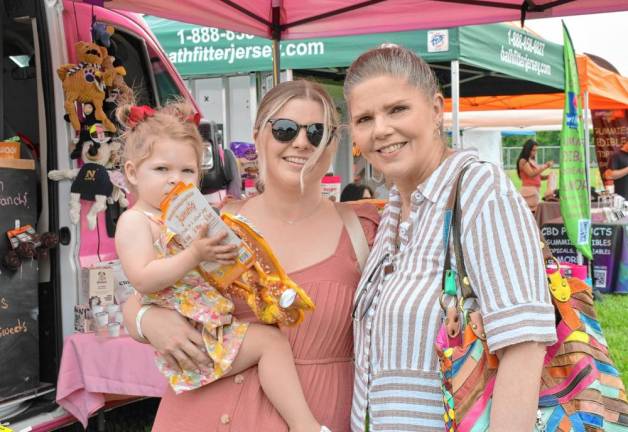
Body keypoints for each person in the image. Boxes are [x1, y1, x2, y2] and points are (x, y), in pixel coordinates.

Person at [121, 81, 379, 431]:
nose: (301, 142)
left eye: (317, 132)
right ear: (258, 136)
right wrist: (145, 320)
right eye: (285, 129)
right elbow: (145, 286)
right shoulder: (211, 222)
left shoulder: (364, 232)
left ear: (334, 143)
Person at [344, 46, 557, 431]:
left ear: (437, 109)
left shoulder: (478, 189)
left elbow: (524, 347)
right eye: (364, 118)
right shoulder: (394, 211)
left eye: (397, 109)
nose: (380, 129)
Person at [516, 139, 554, 212]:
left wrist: (548, 176)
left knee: (536, 213)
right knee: (533, 213)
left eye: (536, 150)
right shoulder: (523, 161)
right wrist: (546, 166)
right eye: (533, 150)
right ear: (527, 149)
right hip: (529, 191)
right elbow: (531, 174)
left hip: (535, 191)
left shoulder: (532, 160)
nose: (535, 152)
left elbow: (538, 176)